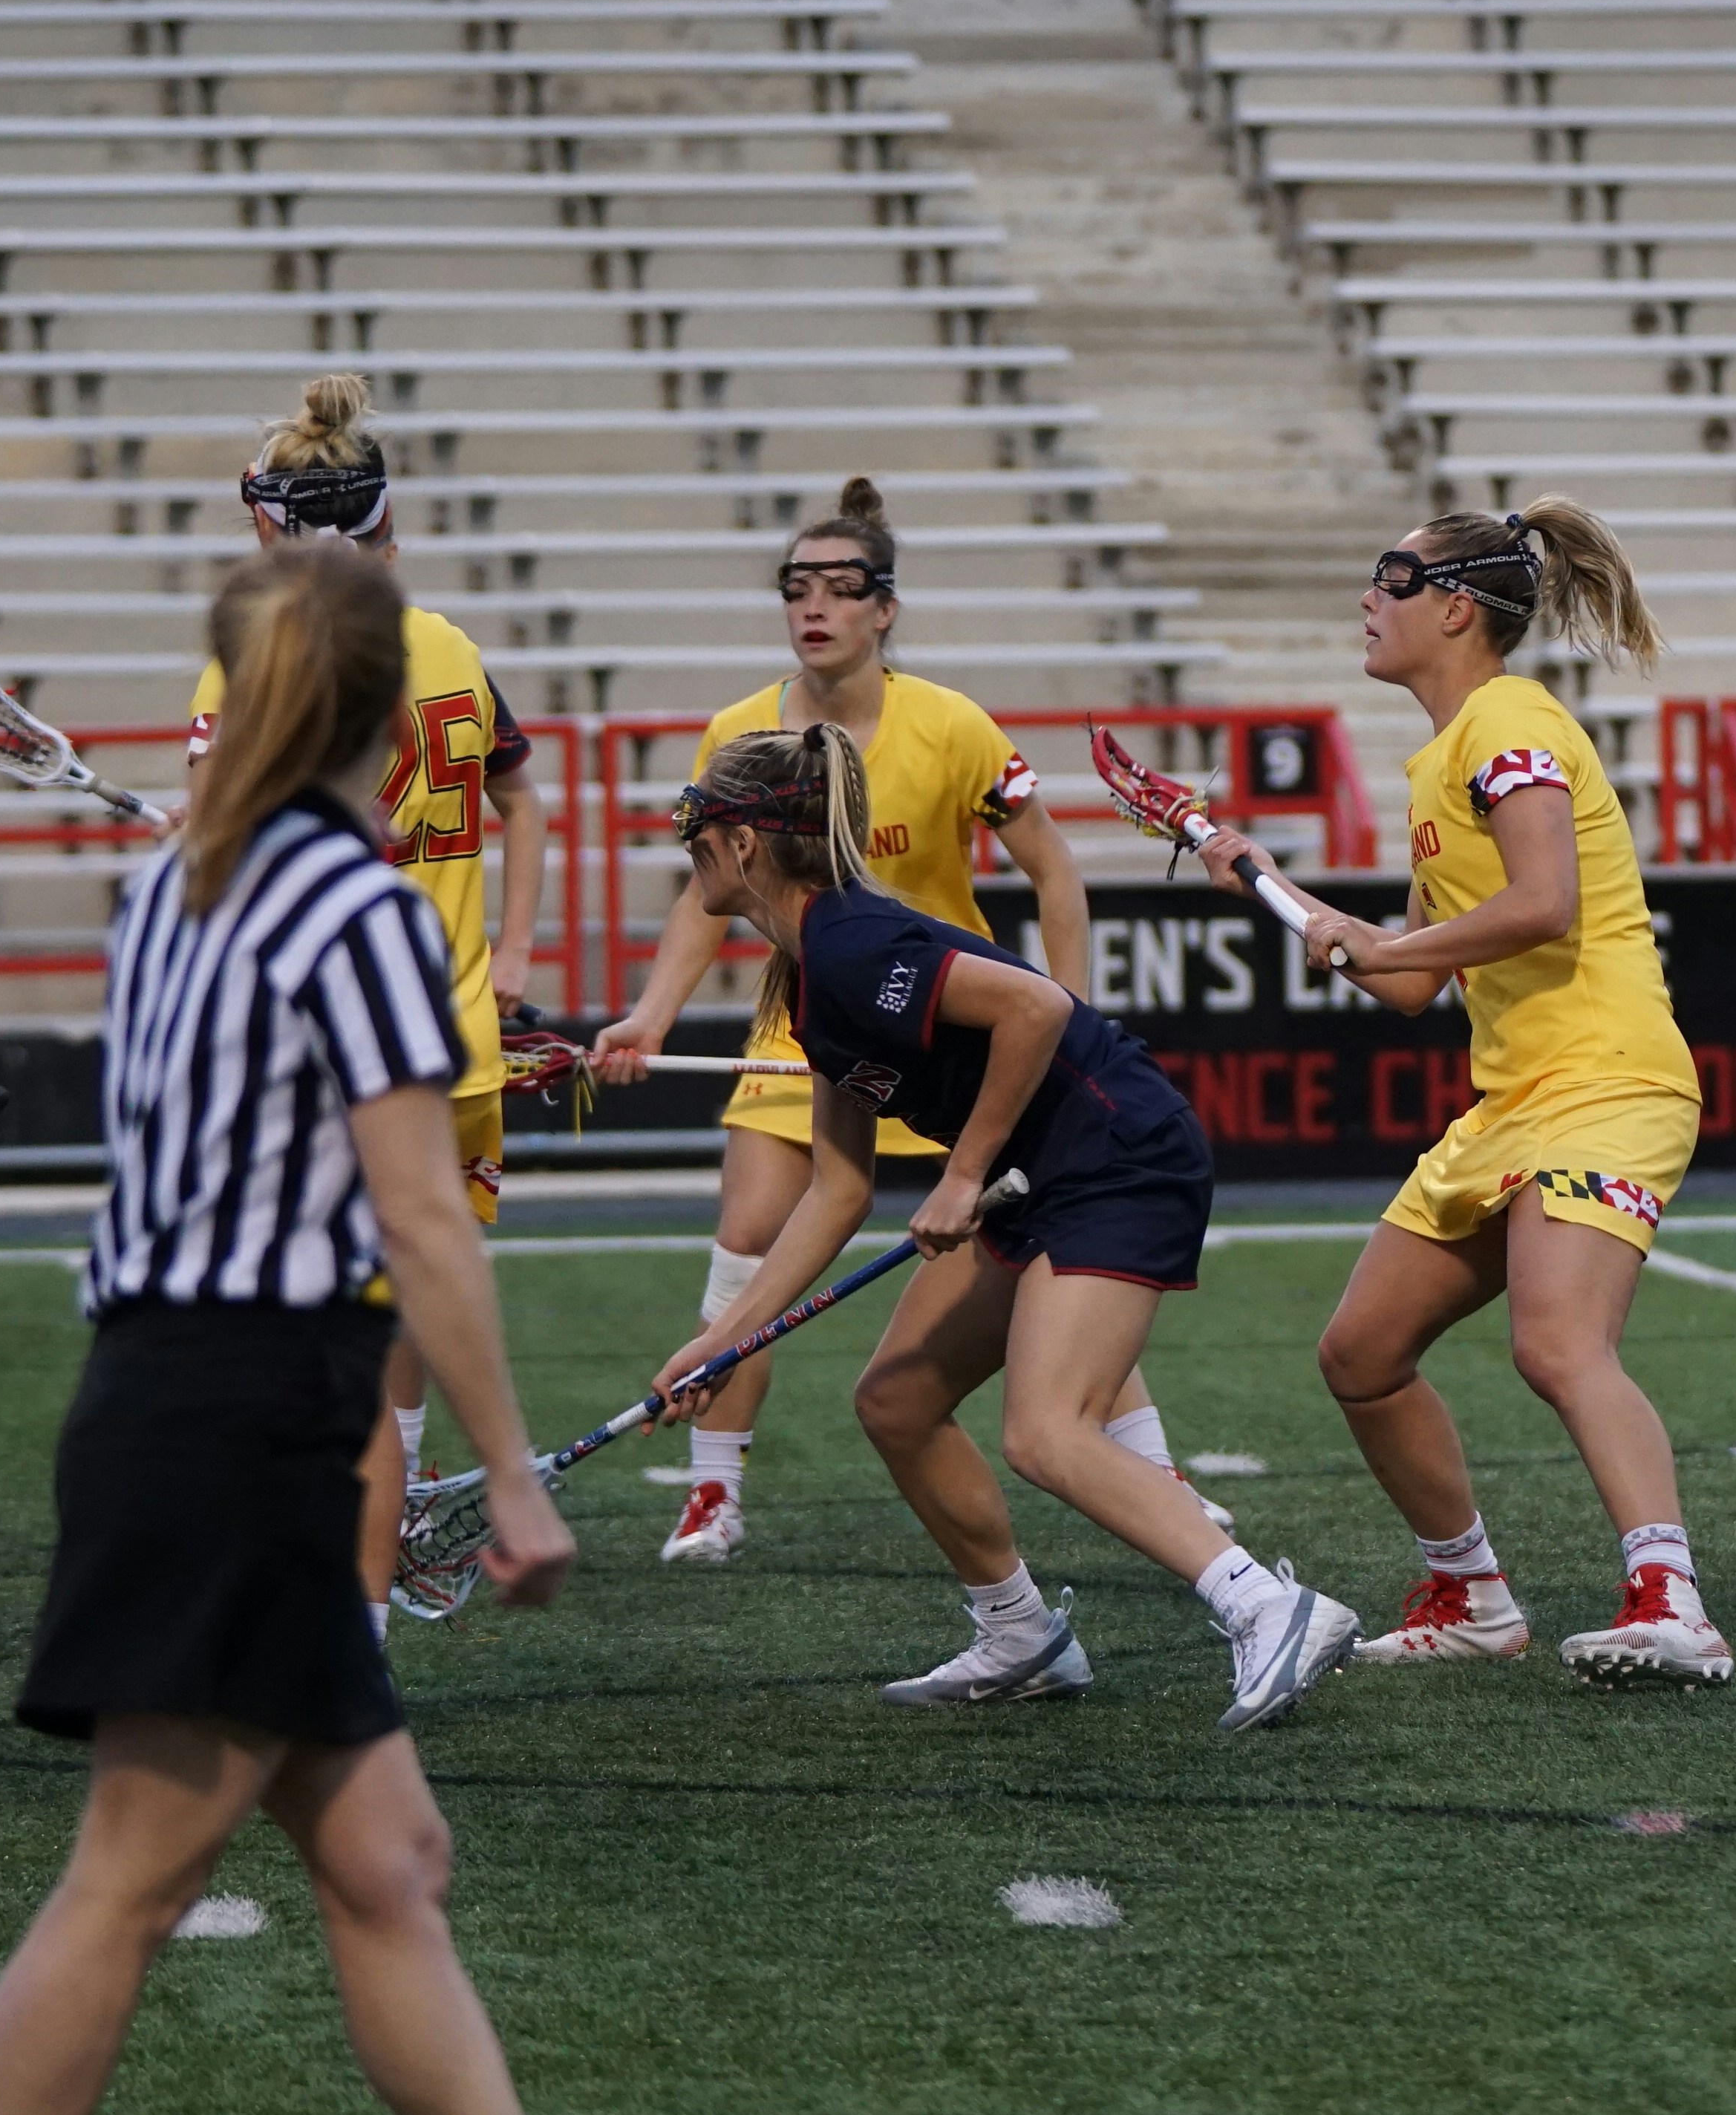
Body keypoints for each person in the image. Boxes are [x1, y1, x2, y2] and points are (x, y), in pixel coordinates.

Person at [0, 541, 687, 2115]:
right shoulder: (360, 911)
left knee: (393, 1855)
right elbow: (420, 1218)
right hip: (247, 1407)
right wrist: (506, 1474)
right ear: (383, 706)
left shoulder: (184, 885)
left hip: (185, 1393)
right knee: (129, 1876)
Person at [644, 725, 1358, 1727]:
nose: (688, 849)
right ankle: (1018, 1632)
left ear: (748, 842)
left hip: (1117, 1156)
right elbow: (837, 1191)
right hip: (1042, 1178)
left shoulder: (853, 944)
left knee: (1046, 1431)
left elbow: (1035, 1007)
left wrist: (963, 1171)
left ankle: (1266, 1606)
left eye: (696, 827)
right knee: (895, 1402)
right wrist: (722, 1343)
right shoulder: (810, 980)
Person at [588, 478, 1217, 1562]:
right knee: (750, 1239)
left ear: (885, 608)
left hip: (955, 1034)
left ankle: (1151, 1473)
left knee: (1058, 1245)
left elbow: (1053, 871)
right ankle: (712, 1491)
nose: (814, 608)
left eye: (840, 589)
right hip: (811, 1024)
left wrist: (1070, 1016)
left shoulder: (951, 724)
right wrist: (650, 1014)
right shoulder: (742, 734)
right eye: (796, 589)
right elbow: (709, 896)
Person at [1201, 504, 1729, 1686]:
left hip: (1606, 1081)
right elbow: (1416, 981)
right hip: (1512, 1103)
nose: (1368, 601)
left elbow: (1546, 903)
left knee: (1557, 1343)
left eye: (1393, 580)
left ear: (1457, 608)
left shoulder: (1511, 717)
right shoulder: (1443, 756)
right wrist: (1287, 896)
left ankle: (1673, 1602)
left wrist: (1378, 946)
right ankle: (1474, 1595)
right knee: (1361, 1354)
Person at [190, 374, 551, 1629]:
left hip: (337, 1052)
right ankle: (378, 1561)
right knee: (396, 1333)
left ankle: (343, 1601)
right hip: (452, 1044)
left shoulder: (257, 659)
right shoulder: (448, 644)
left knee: (309, 1339)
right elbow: (523, 796)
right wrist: (509, 956)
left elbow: (217, 855)